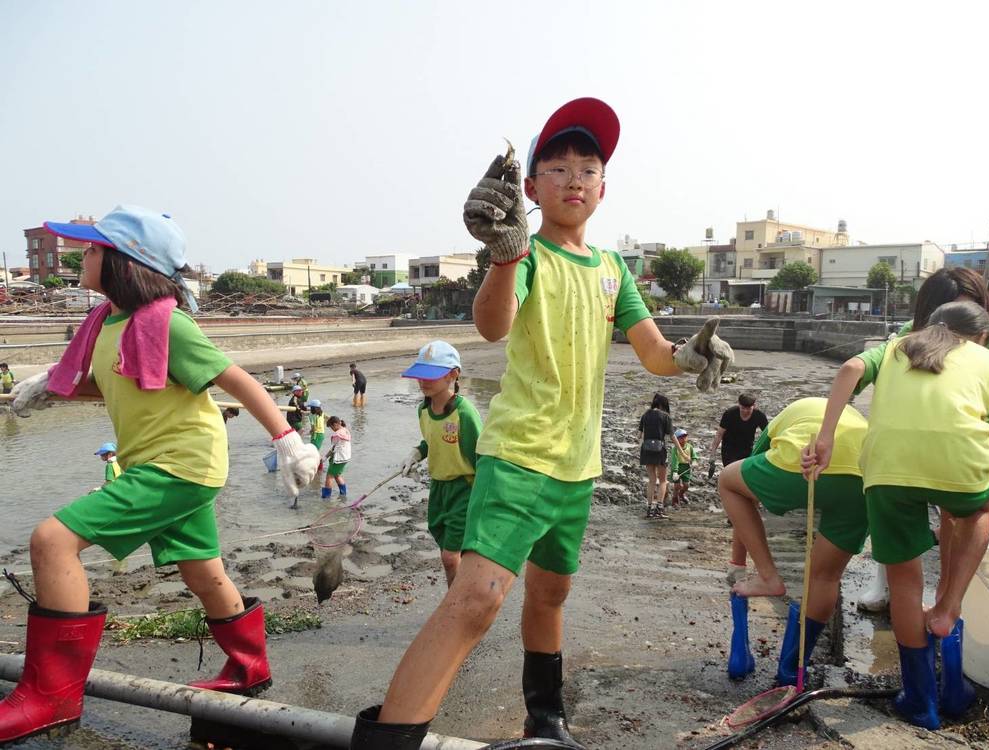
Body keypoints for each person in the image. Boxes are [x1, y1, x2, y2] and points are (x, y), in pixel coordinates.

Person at [349, 97, 720, 749]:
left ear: (604, 187)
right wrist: (504, 257)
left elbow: (655, 352)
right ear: (529, 188)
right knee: (476, 601)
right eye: (558, 167)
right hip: (519, 457)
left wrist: (691, 357)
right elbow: (491, 325)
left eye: (588, 167)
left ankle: (545, 721)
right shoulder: (528, 260)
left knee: (549, 597)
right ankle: (389, 740)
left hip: (578, 469)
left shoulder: (612, 270)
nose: (574, 178)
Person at [3, 205, 319, 745]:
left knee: (52, 542)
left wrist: (288, 439)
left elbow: (235, 377)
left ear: (126, 263)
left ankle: (51, 696)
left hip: (179, 465)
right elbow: (115, 385)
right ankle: (249, 668)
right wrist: (46, 387)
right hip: (168, 462)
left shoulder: (168, 323)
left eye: (95, 249)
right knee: (202, 571)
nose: (85, 255)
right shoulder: (108, 322)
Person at [803, 301, 989, 729]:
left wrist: (826, 436)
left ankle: (921, 701)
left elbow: (850, 369)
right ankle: (948, 608)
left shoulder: (897, 345)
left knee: (905, 580)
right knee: (977, 511)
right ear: (981, 336)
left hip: (888, 468)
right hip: (962, 465)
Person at [851, 266, 989, 612]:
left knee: (959, 515)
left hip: (973, 441)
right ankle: (885, 581)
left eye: (969, 311)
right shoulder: (906, 337)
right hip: (909, 443)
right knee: (899, 514)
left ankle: (947, 598)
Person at [720, 397, 868, 683]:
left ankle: (769, 577)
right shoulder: (854, 416)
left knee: (728, 479)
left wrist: (738, 563)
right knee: (825, 577)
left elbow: (744, 495)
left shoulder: (779, 422)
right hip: (864, 477)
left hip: (805, 462)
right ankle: (791, 669)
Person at [399, 340, 483, 586]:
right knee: (446, 543)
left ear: (453, 375)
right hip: (438, 487)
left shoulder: (464, 413)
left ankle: (455, 604)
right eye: (420, 376)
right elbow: (431, 441)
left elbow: (482, 456)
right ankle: (463, 590)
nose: (423, 381)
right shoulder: (423, 410)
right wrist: (416, 453)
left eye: (430, 376)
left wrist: (485, 499)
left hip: (464, 487)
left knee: (449, 555)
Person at [710, 393, 768, 581]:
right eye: (743, 408)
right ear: (739, 406)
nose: (745, 411)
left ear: (754, 407)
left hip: (747, 453)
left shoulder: (759, 416)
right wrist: (712, 455)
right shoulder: (730, 414)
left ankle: (738, 517)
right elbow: (720, 434)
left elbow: (768, 435)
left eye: (748, 408)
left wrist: (767, 455)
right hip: (729, 452)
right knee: (733, 488)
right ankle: (734, 517)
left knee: (745, 486)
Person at [638, 393, 675, 518]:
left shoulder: (645, 415)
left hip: (646, 449)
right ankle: (659, 508)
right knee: (663, 480)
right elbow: (672, 436)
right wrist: (682, 452)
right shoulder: (665, 416)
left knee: (651, 480)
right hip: (660, 450)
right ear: (663, 404)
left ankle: (649, 508)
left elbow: (639, 436)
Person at [322, 416, 351, 499]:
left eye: (331, 427)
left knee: (329, 477)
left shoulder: (337, 434)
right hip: (345, 458)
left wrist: (325, 457)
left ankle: (326, 498)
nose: (332, 429)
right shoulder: (346, 430)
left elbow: (333, 448)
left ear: (335, 424)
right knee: (337, 475)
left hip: (338, 458)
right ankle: (343, 494)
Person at [670, 429, 697, 507]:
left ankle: (681, 494)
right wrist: (675, 471)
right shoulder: (675, 449)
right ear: (676, 439)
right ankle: (674, 499)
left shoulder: (689, 447)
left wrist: (694, 461)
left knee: (686, 485)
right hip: (677, 468)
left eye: (685, 437)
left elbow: (693, 456)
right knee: (677, 486)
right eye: (681, 438)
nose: (684, 439)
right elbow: (675, 461)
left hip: (686, 468)